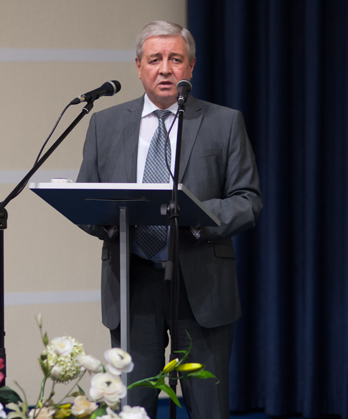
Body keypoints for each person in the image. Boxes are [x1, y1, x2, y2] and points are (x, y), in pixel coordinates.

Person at [76, 21, 262, 419]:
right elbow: (86, 199)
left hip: (201, 283)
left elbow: (247, 200)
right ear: (138, 67)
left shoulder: (224, 122)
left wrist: (197, 217)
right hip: (133, 281)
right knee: (132, 407)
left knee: (209, 409)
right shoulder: (105, 125)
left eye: (175, 59)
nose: (165, 69)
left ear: (191, 67)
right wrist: (111, 221)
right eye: (155, 59)